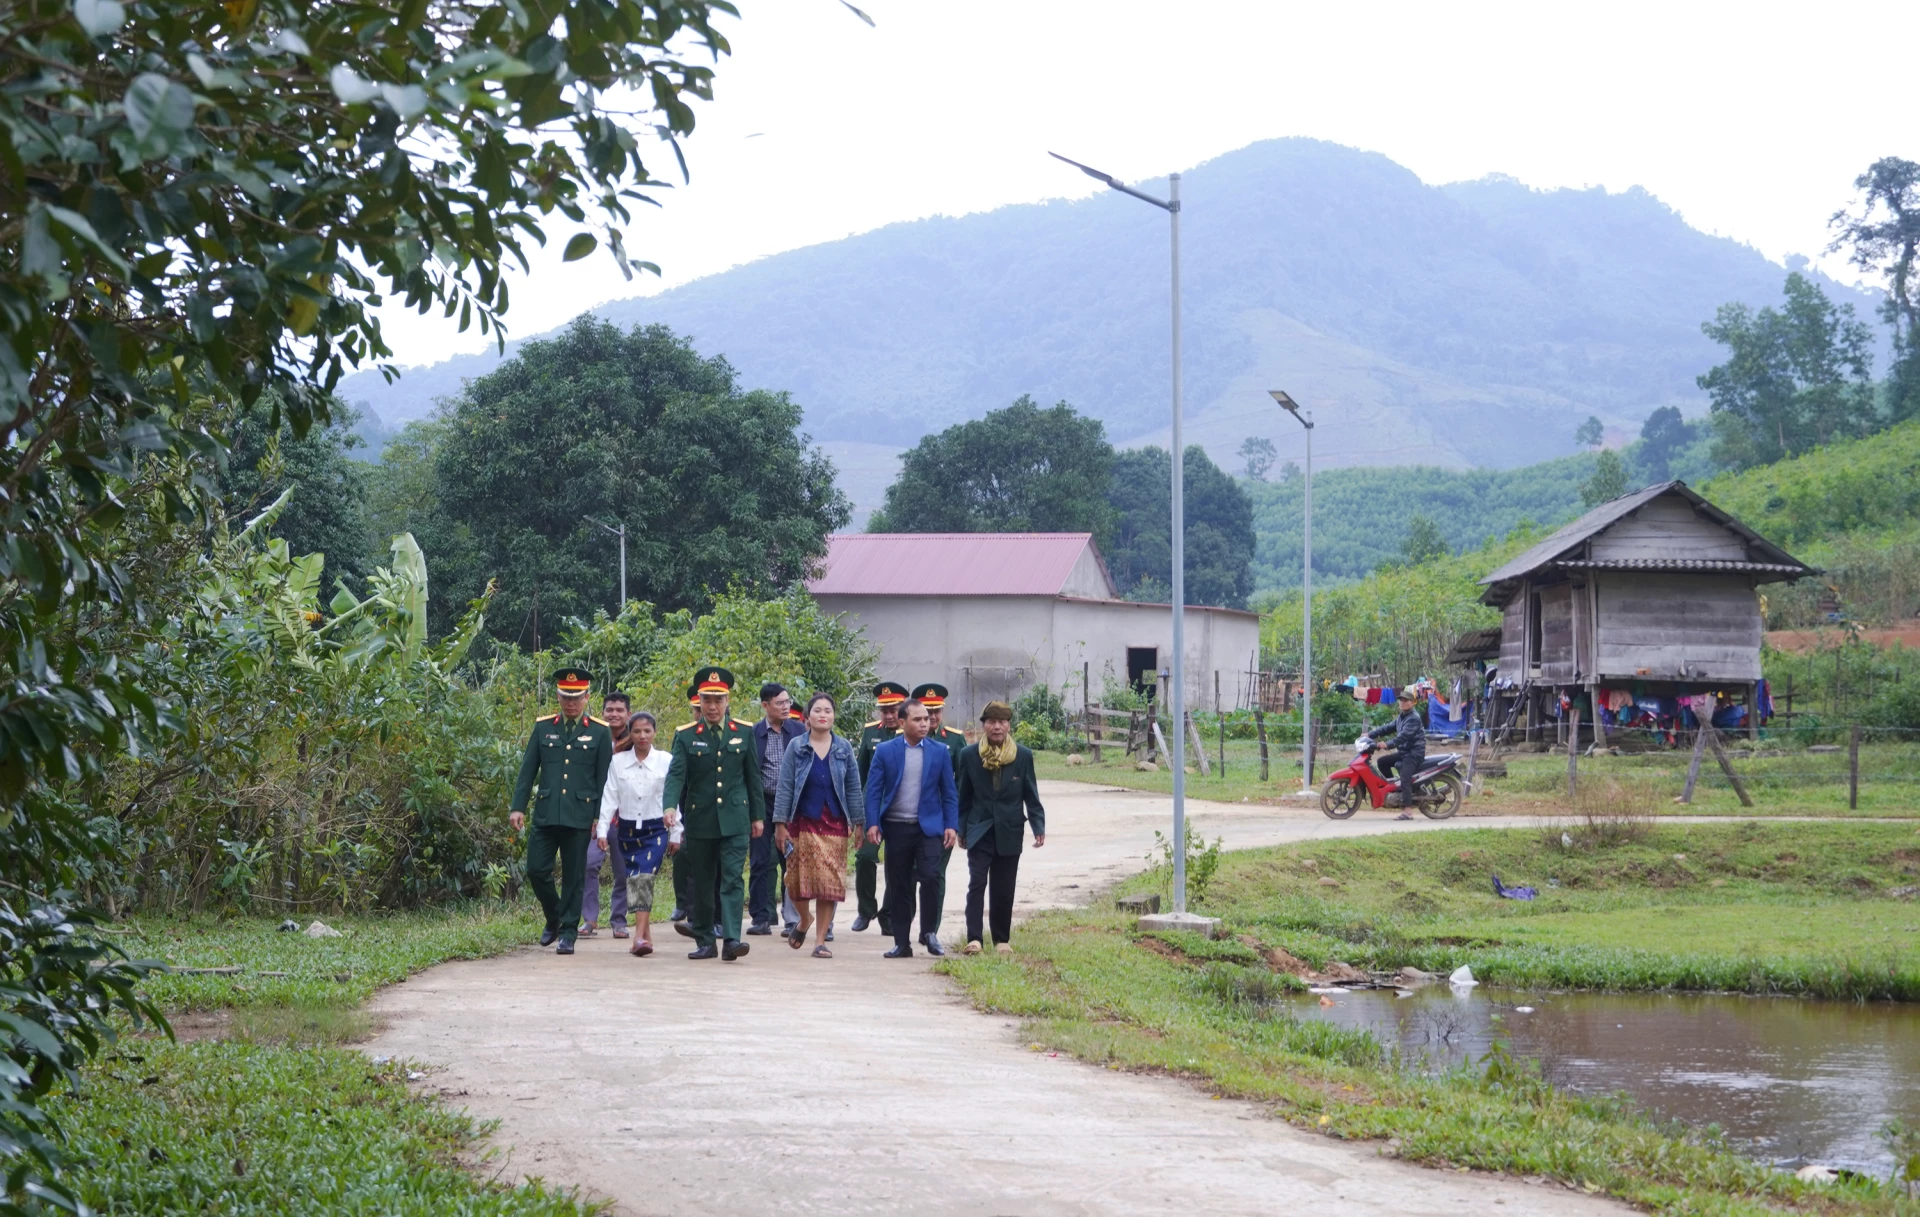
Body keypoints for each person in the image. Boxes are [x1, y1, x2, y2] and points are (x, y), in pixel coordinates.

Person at [509, 666, 614, 955]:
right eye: (566, 697)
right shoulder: (544, 727)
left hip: (580, 815)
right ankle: (555, 916)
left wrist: (600, 818)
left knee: (574, 876)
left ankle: (568, 932)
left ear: (586, 697)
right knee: (536, 868)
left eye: (576, 697)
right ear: (557, 696)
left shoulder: (599, 732)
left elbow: (605, 779)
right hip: (546, 813)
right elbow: (528, 770)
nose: (571, 702)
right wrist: (518, 807)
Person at [662, 667, 765, 961]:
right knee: (704, 882)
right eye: (707, 700)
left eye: (718, 700)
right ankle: (706, 940)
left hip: (735, 820)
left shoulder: (743, 732)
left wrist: (757, 816)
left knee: (732, 879)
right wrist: (669, 806)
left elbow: (752, 778)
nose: (712, 706)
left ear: (727, 701)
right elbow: (676, 776)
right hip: (700, 820)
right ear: (699, 701)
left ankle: (732, 939)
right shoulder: (685, 736)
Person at [772, 692, 865, 958]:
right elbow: (786, 786)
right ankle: (804, 919)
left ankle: (820, 941)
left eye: (828, 711)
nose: (823, 715)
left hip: (834, 823)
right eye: (817, 711)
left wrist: (858, 823)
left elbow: (853, 788)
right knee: (795, 881)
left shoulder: (843, 748)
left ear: (834, 716)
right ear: (807, 717)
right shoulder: (797, 746)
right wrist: (780, 823)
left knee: (829, 884)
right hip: (802, 822)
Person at [863, 698, 958, 957]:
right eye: (917, 719)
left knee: (930, 877)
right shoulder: (885, 751)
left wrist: (951, 824)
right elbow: (873, 791)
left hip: (928, 829)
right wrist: (872, 822)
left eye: (926, 719)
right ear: (902, 722)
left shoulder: (939, 752)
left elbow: (949, 793)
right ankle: (901, 943)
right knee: (900, 885)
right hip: (896, 828)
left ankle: (929, 932)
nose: (924, 724)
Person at [956, 701, 1045, 955]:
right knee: (977, 884)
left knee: (1004, 887)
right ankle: (974, 938)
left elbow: (1031, 794)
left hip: (1010, 830)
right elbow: (963, 797)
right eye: (992, 722)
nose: (997, 727)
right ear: (983, 725)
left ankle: (1001, 940)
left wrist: (1038, 825)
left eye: (1002, 722)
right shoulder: (969, 756)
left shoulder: (1023, 756)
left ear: (1008, 726)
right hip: (979, 830)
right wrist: (961, 829)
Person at [595, 711, 679, 956]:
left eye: (647, 731)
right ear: (629, 734)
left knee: (644, 876)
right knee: (635, 879)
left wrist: (676, 832)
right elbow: (609, 797)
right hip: (627, 830)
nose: (642, 736)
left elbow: (673, 798)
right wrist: (602, 831)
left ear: (655, 732)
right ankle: (647, 934)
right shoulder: (618, 762)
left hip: (657, 829)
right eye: (637, 731)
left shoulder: (666, 760)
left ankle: (637, 938)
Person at [851, 680, 909, 933]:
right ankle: (866, 910)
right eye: (883, 710)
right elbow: (860, 775)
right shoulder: (870, 732)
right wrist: (857, 814)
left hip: (899, 809)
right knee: (864, 859)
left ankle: (888, 915)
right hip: (873, 808)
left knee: (897, 866)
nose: (888, 715)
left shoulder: (912, 733)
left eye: (893, 709)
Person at [749, 683, 806, 936]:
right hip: (762, 803)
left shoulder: (798, 730)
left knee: (791, 860)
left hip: (793, 805)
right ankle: (762, 917)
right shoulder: (753, 734)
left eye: (787, 702)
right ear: (765, 706)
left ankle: (792, 919)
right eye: (780, 703)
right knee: (761, 860)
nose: (786, 707)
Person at [912, 681, 967, 946]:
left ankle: (930, 929)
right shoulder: (907, 740)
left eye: (937, 711)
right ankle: (904, 923)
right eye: (927, 712)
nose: (932, 717)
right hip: (909, 820)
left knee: (934, 874)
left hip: (941, 820)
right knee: (909, 874)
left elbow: (961, 784)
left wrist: (956, 822)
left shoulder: (954, 740)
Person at [580, 690, 633, 937]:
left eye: (619, 710)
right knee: (589, 864)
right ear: (602, 713)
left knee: (623, 870)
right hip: (597, 814)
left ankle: (619, 921)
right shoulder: (591, 737)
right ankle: (589, 919)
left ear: (628, 714)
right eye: (609, 710)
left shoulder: (636, 740)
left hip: (626, 815)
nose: (614, 714)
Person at [669, 681, 701, 925]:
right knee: (683, 855)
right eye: (697, 709)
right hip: (687, 804)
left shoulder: (734, 733)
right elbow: (676, 774)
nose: (701, 713)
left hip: (715, 807)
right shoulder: (684, 735)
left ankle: (697, 912)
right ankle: (683, 903)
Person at [1376, 687, 1427, 820]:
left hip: (1414, 753)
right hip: (1405, 752)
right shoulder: (1401, 717)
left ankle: (1408, 811)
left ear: (1412, 702)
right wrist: (1369, 735)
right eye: (1401, 700)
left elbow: (1403, 736)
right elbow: (1387, 728)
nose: (1402, 703)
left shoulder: (1413, 718)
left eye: (1406, 700)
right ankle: (1395, 789)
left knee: (1405, 779)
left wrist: (1387, 744)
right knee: (1382, 762)